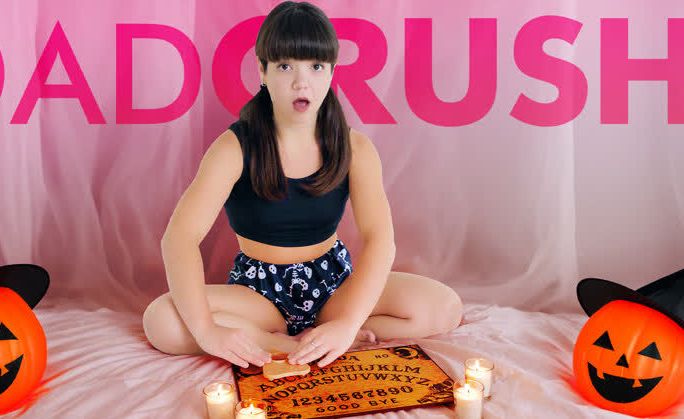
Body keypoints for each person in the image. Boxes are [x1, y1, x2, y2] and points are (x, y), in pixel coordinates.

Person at [142, 1, 462, 370]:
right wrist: (206, 330)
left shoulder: (355, 148)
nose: (301, 81)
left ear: (331, 72)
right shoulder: (234, 148)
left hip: (333, 286)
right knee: (161, 321)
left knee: (443, 308)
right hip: (260, 295)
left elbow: (380, 239)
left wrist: (347, 323)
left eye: (316, 66)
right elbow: (179, 237)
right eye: (285, 66)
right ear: (262, 70)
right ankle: (284, 344)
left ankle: (333, 336)